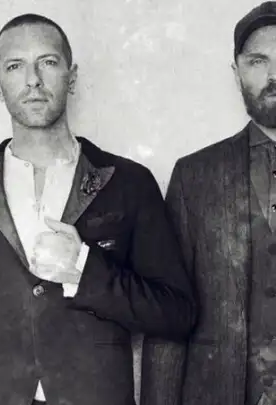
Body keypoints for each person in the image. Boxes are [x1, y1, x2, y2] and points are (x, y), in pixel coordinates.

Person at [0, 13, 196, 405]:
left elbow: (176, 313)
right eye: (15, 66)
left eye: (47, 62)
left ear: (72, 76)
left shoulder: (129, 182)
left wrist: (85, 270)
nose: (33, 80)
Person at [141, 3, 276, 405]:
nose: (274, 75)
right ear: (236, 73)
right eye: (258, 61)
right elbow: (168, 316)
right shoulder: (194, 176)